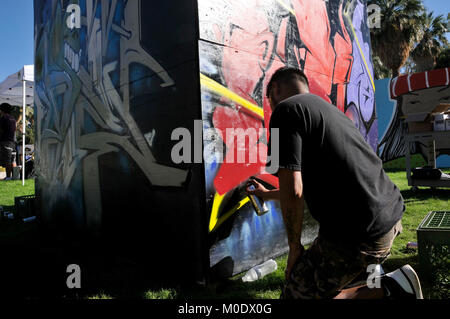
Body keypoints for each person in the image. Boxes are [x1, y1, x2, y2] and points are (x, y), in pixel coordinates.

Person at [246, 67, 423, 299]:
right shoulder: (328, 112)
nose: (270, 107)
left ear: (276, 89)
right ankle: (393, 287)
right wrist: (267, 194)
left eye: (269, 100)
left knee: (298, 294)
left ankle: (391, 289)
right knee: (316, 288)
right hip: (386, 217)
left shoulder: (285, 112)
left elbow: (295, 190)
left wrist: (294, 247)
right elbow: (307, 186)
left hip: (358, 234)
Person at [0, 103, 17, 180]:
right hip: (13, 141)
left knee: (7, 160)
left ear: (2, 110)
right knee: (13, 159)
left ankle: (8, 177)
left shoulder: (4, 118)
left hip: (6, 141)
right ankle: (15, 176)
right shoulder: (13, 118)